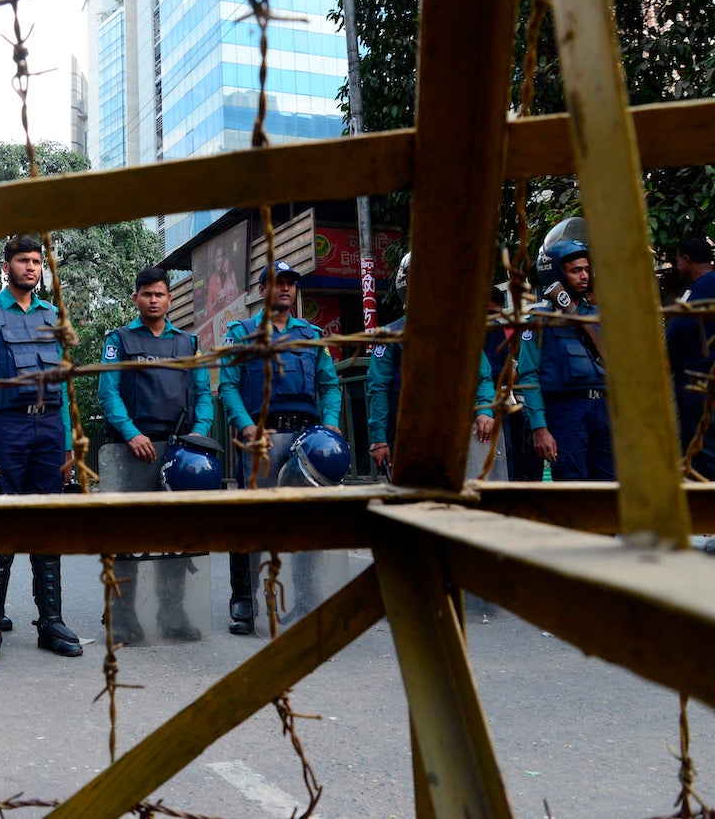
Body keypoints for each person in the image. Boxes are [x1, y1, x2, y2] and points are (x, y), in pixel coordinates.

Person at [0, 235, 81, 661]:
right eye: (23, 261)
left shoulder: (53, 315)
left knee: (45, 525)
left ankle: (50, 621)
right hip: (4, 430)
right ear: (6, 266)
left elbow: (63, 384)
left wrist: (66, 442)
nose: (31, 268)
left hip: (49, 427)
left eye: (36, 262)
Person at [218, 260, 341, 636]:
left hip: (307, 440)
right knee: (251, 520)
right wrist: (246, 425)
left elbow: (330, 386)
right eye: (276, 283)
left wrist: (331, 423)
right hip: (262, 439)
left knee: (306, 520)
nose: (284, 289)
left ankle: (305, 597)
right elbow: (228, 386)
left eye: (289, 283)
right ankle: (245, 600)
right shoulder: (241, 334)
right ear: (262, 291)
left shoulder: (311, 335)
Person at [98, 266, 213, 642]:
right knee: (126, 536)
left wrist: (199, 433)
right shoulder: (119, 339)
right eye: (146, 293)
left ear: (169, 298)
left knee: (175, 536)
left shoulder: (188, 343)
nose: (153, 300)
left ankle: (173, 615)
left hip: (177, 450)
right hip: (129, 450)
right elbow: (108, 393)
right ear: (136, 298)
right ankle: (124, 617)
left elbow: (203, 395)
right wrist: (131, 434)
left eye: (160, 294)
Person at [366, 253, 499, 474]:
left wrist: (485, 410)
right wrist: (379, 439)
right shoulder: (390, 335)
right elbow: (378, 389)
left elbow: (481, 376)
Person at [517, 238, 613, 481]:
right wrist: (540, 427)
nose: (584, 276)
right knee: (572, 485)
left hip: (606, 409)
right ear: (558, 274)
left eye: (586, 269)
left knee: (611, 487)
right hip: (566, 413)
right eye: (575, 271)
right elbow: (529, 376)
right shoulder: (540, 320)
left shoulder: (600, 316)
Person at [666, 235, 715, 477]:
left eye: (677, 261)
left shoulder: (704, 288)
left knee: (702, 450)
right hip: (701, 382)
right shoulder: (700, 288)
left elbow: (679, 332)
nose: (677, 266)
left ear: (686, 260)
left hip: (700, 383)